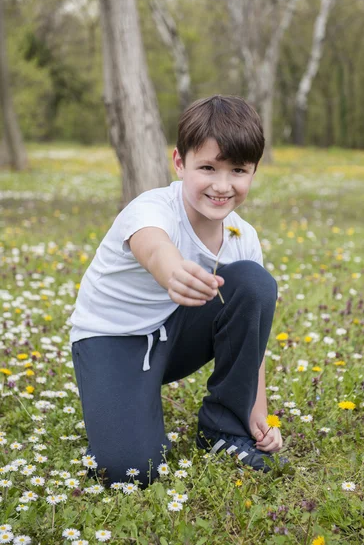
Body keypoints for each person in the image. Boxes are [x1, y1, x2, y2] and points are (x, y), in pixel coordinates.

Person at [70, 94, 284, 489]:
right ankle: (129, 400)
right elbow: (153, 245)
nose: (222, 185)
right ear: (180, 163)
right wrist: (172, 273)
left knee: (255, 281)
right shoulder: (152, 208)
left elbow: (253, 334)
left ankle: (224, 427)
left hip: (175, 336)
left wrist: (259, 413)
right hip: (112, 341)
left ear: (253, 172)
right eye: (207, 167)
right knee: (127, 472)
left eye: (238, 170)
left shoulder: (242, 237)